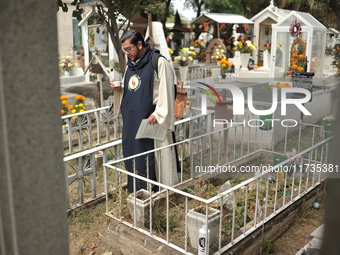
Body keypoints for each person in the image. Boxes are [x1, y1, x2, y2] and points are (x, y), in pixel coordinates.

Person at [111, 29, 179, 193]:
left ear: (139, 44)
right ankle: (137, 192)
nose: (127, 53)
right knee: (133, 155)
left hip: (150, 121)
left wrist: (159, 113)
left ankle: (156, 193)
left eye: (129, 49)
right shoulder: (131, 66)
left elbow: (167, 91)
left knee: (152, 159)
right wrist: (120, 88)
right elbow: (134, 88)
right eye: (124, 50)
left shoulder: (159, 62)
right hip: (131, 122)